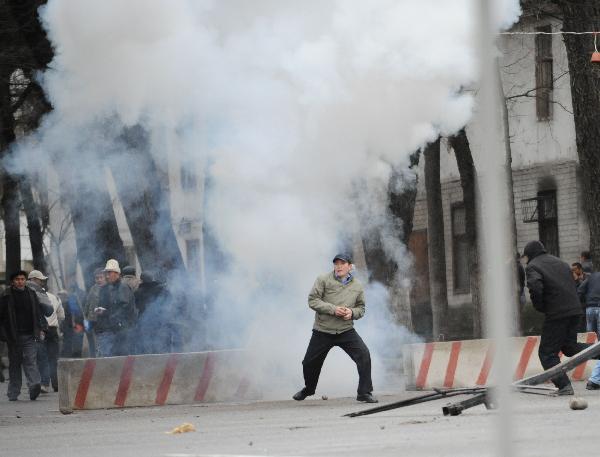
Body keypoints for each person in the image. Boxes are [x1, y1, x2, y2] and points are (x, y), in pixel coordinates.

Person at [293, 253, 377, 403]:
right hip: (322, 330)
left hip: (346, 330)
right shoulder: (323, 279)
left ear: (350, 267)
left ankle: (364, 392)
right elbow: (312, 301)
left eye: (342, 263)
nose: (338, 266)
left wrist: (352, 313)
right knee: (308, 363)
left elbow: (361, 308)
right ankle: (309, 389)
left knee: (364, 356)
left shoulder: (357, 285)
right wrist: (333, 309)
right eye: (336, 264)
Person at [524, 241, 596, 395]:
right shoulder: (562, 263)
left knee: (547, 353)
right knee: (571, 348)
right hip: (575, 310)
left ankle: (564, 386)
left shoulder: (533, 266)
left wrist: (541, 306)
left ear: (529, 255)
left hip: (557, 313)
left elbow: (535, 287)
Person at [0, 270, 53, 401]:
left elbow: (38, 312)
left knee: (30, 361)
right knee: (15, 364)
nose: (20, 281)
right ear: (13, 281)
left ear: (25, 280)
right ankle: (13, 392)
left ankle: (34, 385)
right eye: (17, 279)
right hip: (13, 337)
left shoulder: (31, 293)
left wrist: (41, 328)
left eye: (22, 279)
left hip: (30, 335)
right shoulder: (6, 295)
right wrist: (4, 334)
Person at [95, 259, 136, 357]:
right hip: (108, 330)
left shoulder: (123, 287)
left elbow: (124, 308)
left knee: (121, 357)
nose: (107, 275)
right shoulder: (105, 289)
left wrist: (109, 315)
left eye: (109, 273)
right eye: (106, 273)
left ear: (117, 273)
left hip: (121, 330)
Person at [83, 268, 106, 357]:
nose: (99, 280)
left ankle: (101, 355)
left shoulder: (108, 288)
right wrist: (86, 316)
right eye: (97, 278)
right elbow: (88, 303)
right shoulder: (93, 288)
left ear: (105, 278)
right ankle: (93, 356)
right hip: (91, 319)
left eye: (101, 277)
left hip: (102, 319)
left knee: (101, 339)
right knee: (92, 340)